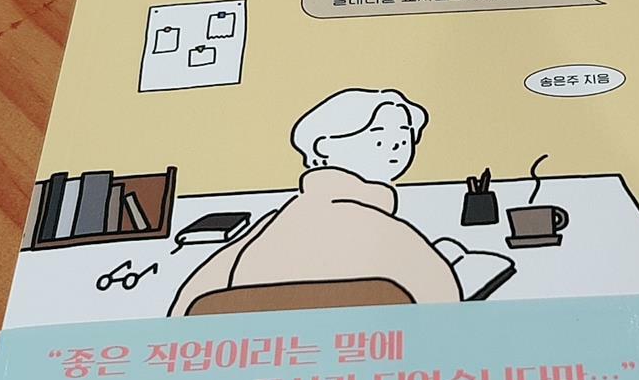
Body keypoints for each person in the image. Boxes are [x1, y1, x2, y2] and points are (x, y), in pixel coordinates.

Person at [168, 88, 460, 314]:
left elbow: (189, 306)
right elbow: (446, 310)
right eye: (377, 132)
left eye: (405, 132)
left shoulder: (270, 226)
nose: (397, 142)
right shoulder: (394, 235)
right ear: (323, 146)